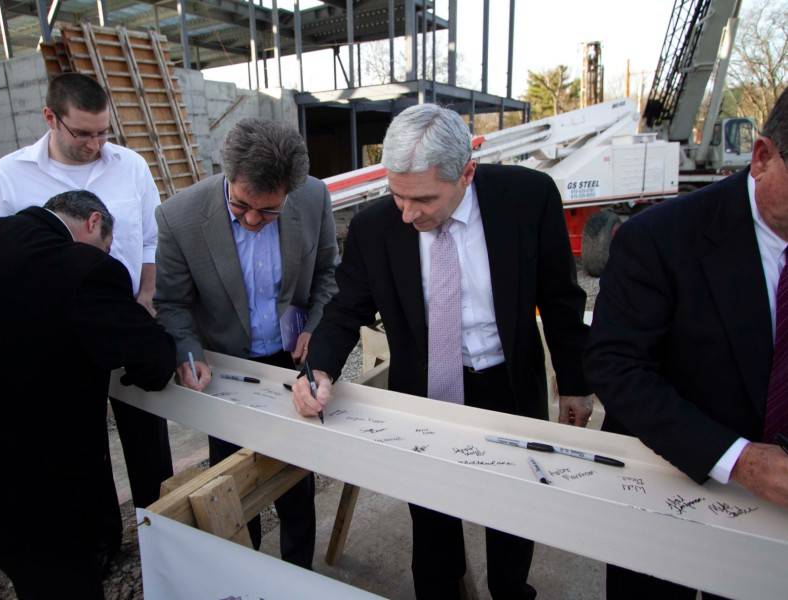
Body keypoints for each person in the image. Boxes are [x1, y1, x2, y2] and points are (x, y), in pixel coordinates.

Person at [293, 104, 593, 599]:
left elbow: (561, 297)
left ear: (466, 173)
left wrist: (576, 384)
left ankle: (510, 588)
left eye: (425, 199)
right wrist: (318, 368)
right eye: (397, 196)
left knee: (513, 514)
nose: (408, 214)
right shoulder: (375, 227)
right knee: (432, 522)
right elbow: (346, 308)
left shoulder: (526, 198)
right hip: (426, 392)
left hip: (507, 385)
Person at [0, 191, 176, 599]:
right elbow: (152, 357)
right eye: (107, 245)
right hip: (20, 479)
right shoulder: (83, 265)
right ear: (94, 223)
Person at [585, 88, 788, 599]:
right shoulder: (660, 237)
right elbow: (617, 367)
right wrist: (740, 460)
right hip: (670, 489)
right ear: (762, 157)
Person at [0, 73, 173, 542]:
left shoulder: (130, 165)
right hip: (55, 339)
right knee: (79, 447)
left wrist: (146, 297)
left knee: (148, 439)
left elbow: (149, 240)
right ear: (51, 118)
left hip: (125, 321)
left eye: (103, 131)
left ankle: (163, 532)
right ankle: (101, 539)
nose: (95, 144)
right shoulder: (10, 174)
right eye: (83, 133)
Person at [155, 117, 338, 568]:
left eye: (269, 211)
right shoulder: (179, 217)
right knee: (234, 478)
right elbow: (172, 304)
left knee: (297, 478)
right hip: (226, 367)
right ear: (226, 174)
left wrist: (316, 326)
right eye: (241, 207)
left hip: (290, 359)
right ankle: (246, 568)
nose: (254, 221)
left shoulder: (313, 197)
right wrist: (188, 353)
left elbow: (328, 276)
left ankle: (298, 573)